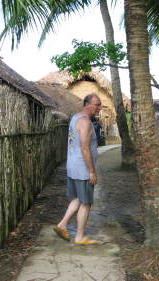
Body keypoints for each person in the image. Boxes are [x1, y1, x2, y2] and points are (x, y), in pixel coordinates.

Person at [53, 93, 101, 245]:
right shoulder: (85, 122)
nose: (99, 107)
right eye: (97, 104)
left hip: (73, 166)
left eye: (100, 104)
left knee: (78, 199)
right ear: (87, 104)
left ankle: (62, 224)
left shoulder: (75, 118)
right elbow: (85, 148)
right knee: (86, 203)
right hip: (83, 169)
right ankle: (79, 237)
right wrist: (92, 171)